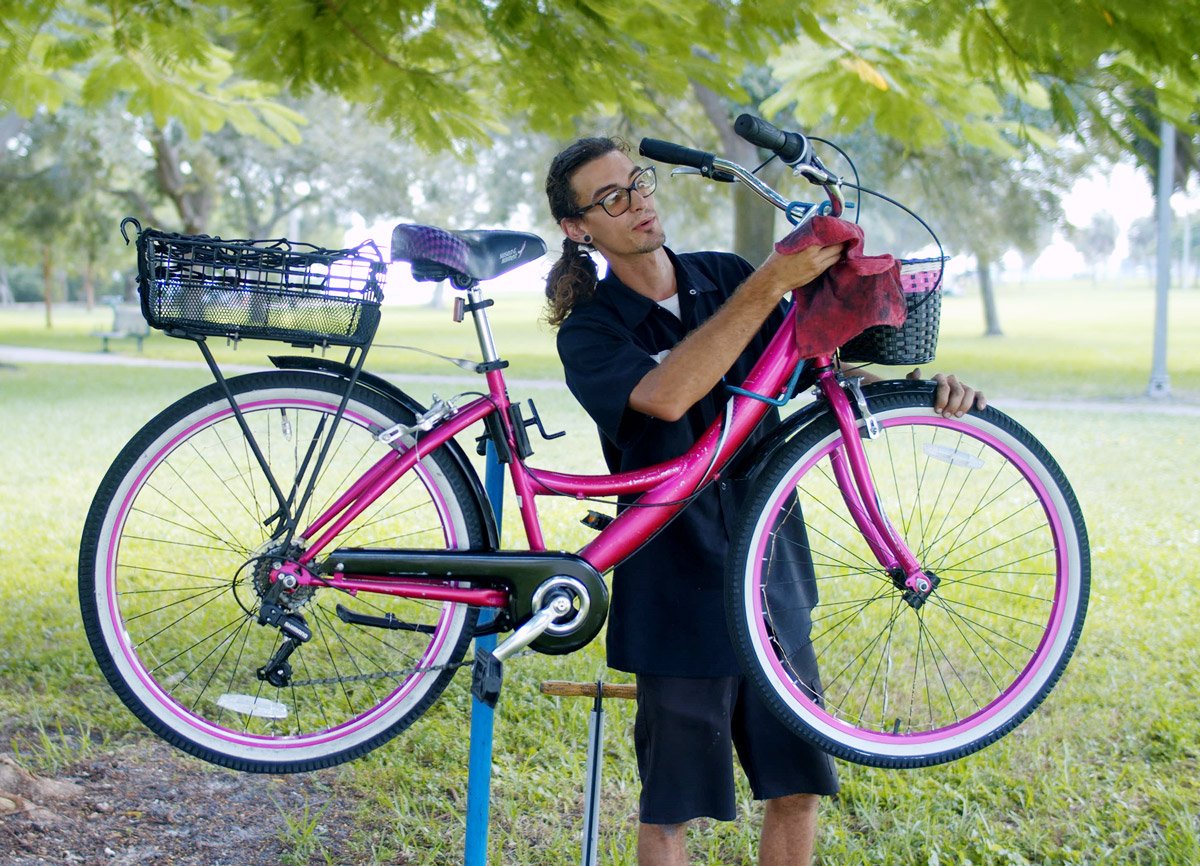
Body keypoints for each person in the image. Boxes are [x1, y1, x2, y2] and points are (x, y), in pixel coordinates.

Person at [544, 136, 984, 866]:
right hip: (673, 588)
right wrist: (771, 285)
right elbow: (666, 394)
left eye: (639, 182)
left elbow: (820, 379)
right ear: (578, 228)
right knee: (671, 811)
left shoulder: (722, 274)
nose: (639, 202)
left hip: (768, 570)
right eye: (611, 197)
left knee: (796, 788)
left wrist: (926, 391)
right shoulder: (592, 329)